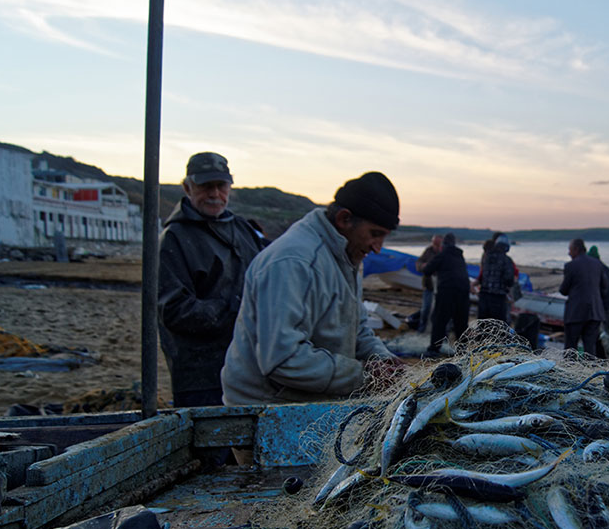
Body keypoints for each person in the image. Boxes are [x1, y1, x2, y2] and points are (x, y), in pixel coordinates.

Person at [221, 171, 405, 405]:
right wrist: (365, 375)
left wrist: (384, 360)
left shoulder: (348, 257)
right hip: (266, 407)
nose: (378, 248)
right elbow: (282, 358)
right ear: (344, 219)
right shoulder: (293, 262)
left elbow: (357, 330)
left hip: (310, 400)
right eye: (375, 235)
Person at [158, 152, 266, 408]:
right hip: (202, 378)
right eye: (205, 186)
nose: (214, 194)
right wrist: (237, 310)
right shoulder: (174, 238)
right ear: (187, 187)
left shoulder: (244, 230)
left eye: (221, 186)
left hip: (249, 369)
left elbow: (271, 274)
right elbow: (173, 310)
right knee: (212, 444)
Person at [560, 237, 609, 357]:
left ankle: (568, 372)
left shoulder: (571, 266)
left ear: (576, 249)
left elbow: (563, 290)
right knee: (590, 347)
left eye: (570, 250)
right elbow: (605, 286)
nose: (569, 253)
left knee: (570, 348)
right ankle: (590, 372)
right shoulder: (598, 264)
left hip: (575, 312)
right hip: (595, 312)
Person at [422, 233, 470, 356]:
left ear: (444, 244)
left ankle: (434, 349)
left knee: (440, 320)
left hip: (447, 292)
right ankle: (463, 350)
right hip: (464, 292)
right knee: (461, 322)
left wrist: (427, 266)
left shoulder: (442, 255)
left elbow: (427, 270)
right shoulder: (460, 257)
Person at [477, 233, 515, 323]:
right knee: (497, 328)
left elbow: (483, 275)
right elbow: (509, 280)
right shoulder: (507, 260)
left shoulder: (487, 258)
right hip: (498, 298)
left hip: (483, 297)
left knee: (483, 327)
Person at [588, 245, 609, 360]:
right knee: (607, 335)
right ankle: (608, 359)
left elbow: (601, 291)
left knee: (604, 337)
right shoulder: (607, 269)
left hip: (603, 309)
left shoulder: (599, 270)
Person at [414, 234, 443, 333]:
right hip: (429, 284)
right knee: (426, 308)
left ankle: (438, 330)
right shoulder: (428, 251)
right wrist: (423, 266)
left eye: (437, 244)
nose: (436, 246)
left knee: (440, 310)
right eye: (434, 243)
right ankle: (422, 329)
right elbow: (419, 263)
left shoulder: (444, 252)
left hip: (441, 286)